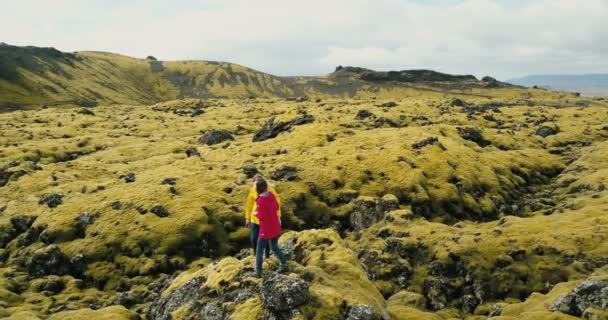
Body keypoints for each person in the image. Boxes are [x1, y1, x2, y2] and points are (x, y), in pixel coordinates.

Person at [253, 179, 287, 276]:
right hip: (275, 227)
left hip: (266, 230)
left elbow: (262, 216)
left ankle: (258, 272)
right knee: (274, 247)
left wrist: (256, 214)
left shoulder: (260, 201)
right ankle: (284, 262)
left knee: (259, 251)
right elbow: (276, 207)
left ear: (258, 188)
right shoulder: (271, 195)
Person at [245, 174, 281, 259]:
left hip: (265, 219)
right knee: (254, 238)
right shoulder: (252, 190)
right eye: (253, 184)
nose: (254, 186)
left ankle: (267, 256)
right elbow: (249, 205)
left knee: (266, 238)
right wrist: (247, 218)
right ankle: (255, 255)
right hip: (254, 219)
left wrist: (278, 217)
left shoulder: (270, 191)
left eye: (255, 184)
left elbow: (277, 205)